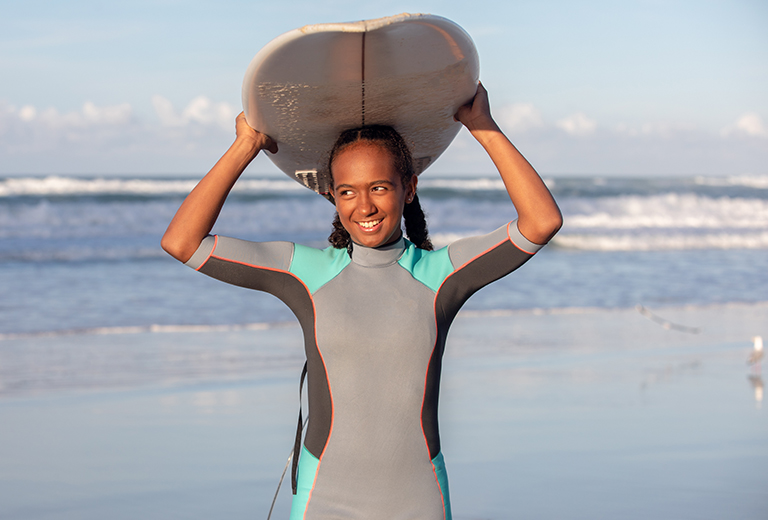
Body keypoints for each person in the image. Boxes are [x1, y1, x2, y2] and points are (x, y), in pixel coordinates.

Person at [162, 83, 562, 520]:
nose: (364, 206)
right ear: (330, 195)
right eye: (348, 191)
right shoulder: (306, 274)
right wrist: (246, 146)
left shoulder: (440, 276)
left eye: (379, 187)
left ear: (409, 188)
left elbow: (541, 221)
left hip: (418, 501)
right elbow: (183, 242)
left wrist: (483, 127)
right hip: (323, 502)